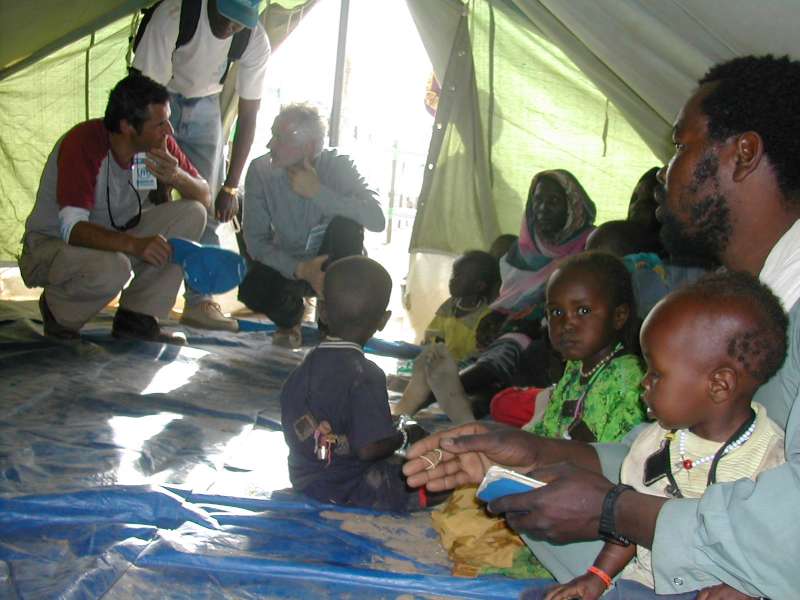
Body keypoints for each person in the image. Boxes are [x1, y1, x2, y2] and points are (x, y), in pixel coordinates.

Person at [402, 55, 800, 598]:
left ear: (743, 154)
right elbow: (677, 454)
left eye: (682, 147)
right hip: (708, 550)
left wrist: (616, 511)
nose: (666, 173)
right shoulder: (752, 299)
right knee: (535, 505)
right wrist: (532, 453)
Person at [540, 272, 786, 600]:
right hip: (647, 585)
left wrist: (745, 590)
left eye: (656, 374)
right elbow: (626, 522)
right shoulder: (655, 443)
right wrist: (597, 577)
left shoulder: (772, 461)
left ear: (719, 385)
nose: (643, 383)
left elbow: (774, 553)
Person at [426, 252, 647, 578]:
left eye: (583, 311)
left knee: (483, 536)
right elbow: (545, 430)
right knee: (465, 502)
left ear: (619, 316)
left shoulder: (629, 379)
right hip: (544, 476)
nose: (566, 323)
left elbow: (616, 461)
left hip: (585, 503)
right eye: (556, 312)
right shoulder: (575, 369)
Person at [18, 73, 209, 343]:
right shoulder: (84, 142)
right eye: (160, 124)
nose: (170, 131)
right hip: (53, 245)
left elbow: (205, 198)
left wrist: (176, 176)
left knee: (192, 213)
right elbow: (72, 229)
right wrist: (135, 245)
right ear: (128, 126)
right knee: (114, 267)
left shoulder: (158, 146)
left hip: (116, 238)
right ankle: (59, 314)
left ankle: (138, 318)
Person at [132, 0, 270, 332]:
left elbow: (248, 115)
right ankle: (142, 296)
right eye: (227, 16)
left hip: (207, 103)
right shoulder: (175, 14)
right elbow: (141, 96)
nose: (232, 28)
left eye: (240, 22)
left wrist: (231, 186)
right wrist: (160, 173)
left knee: (206, 206)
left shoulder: (253, 38)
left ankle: (200, 300)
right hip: (155, 99)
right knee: (145, 195)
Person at [280, 256, 429, 512]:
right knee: (428, 475)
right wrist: (404, 434)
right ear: (383, 320)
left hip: (303, 478)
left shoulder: (303, 370)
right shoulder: (366, 374)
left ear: (323, 312)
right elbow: (369, 449)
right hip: (346, 486)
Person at [239, 103, 385, 348]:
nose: (270, 145)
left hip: (332, 264)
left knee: (347, 225)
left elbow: (377, 219)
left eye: (279, 138)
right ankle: (289, 321)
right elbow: (255, 242)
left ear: (309, 147)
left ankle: (332, 329)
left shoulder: (338, 166)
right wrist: (300, 268)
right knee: (253, 287)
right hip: (288, 265)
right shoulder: (260, 171)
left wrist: (319, 192)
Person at [424, 250, 500, 360]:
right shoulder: (449, 306)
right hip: (441, 366)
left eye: (460, 276)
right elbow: (434, 335)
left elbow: (477, 356)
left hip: (466, 373)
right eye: (454, 274)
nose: (452, 280)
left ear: (479, 286)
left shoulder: (485, 317)